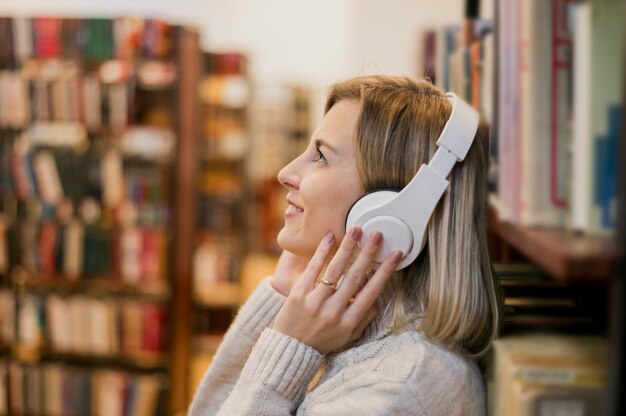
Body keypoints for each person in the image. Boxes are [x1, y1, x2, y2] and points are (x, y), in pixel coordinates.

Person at [189, 75, 503, 415]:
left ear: (394, 211)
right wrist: (280, 298)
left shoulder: (396, 391)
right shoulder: (346, 330)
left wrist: (287, 352)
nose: (285, 172)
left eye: (321, 157)